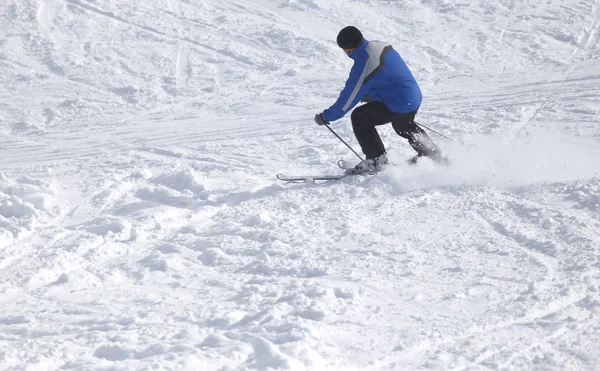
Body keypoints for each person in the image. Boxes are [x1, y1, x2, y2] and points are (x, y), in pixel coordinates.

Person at [314, 26, 443, 174]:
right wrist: (374, 94)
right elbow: (387, 74)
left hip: (399, 101)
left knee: (360, 117)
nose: (345, 53)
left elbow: (349, 97)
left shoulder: (364, 62)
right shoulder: (378, 45)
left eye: (344, 49)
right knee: (403, 125)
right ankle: (433, 155)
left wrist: (327, 116)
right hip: (411, 95)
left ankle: (376, 161)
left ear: (350, 47)